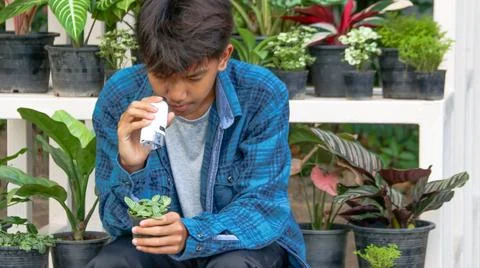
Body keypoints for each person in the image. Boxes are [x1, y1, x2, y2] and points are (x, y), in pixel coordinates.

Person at [88, 0, 308, 267]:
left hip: (238, 244)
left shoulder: (260, 93)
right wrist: (132, 166)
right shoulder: (121, 96)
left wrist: (191, 234)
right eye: (161, 75)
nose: (177, 94)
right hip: (162, 248)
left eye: (194, 78)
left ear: (224, 57)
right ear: (145, 59)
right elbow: (114, 221)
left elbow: (263, 209)